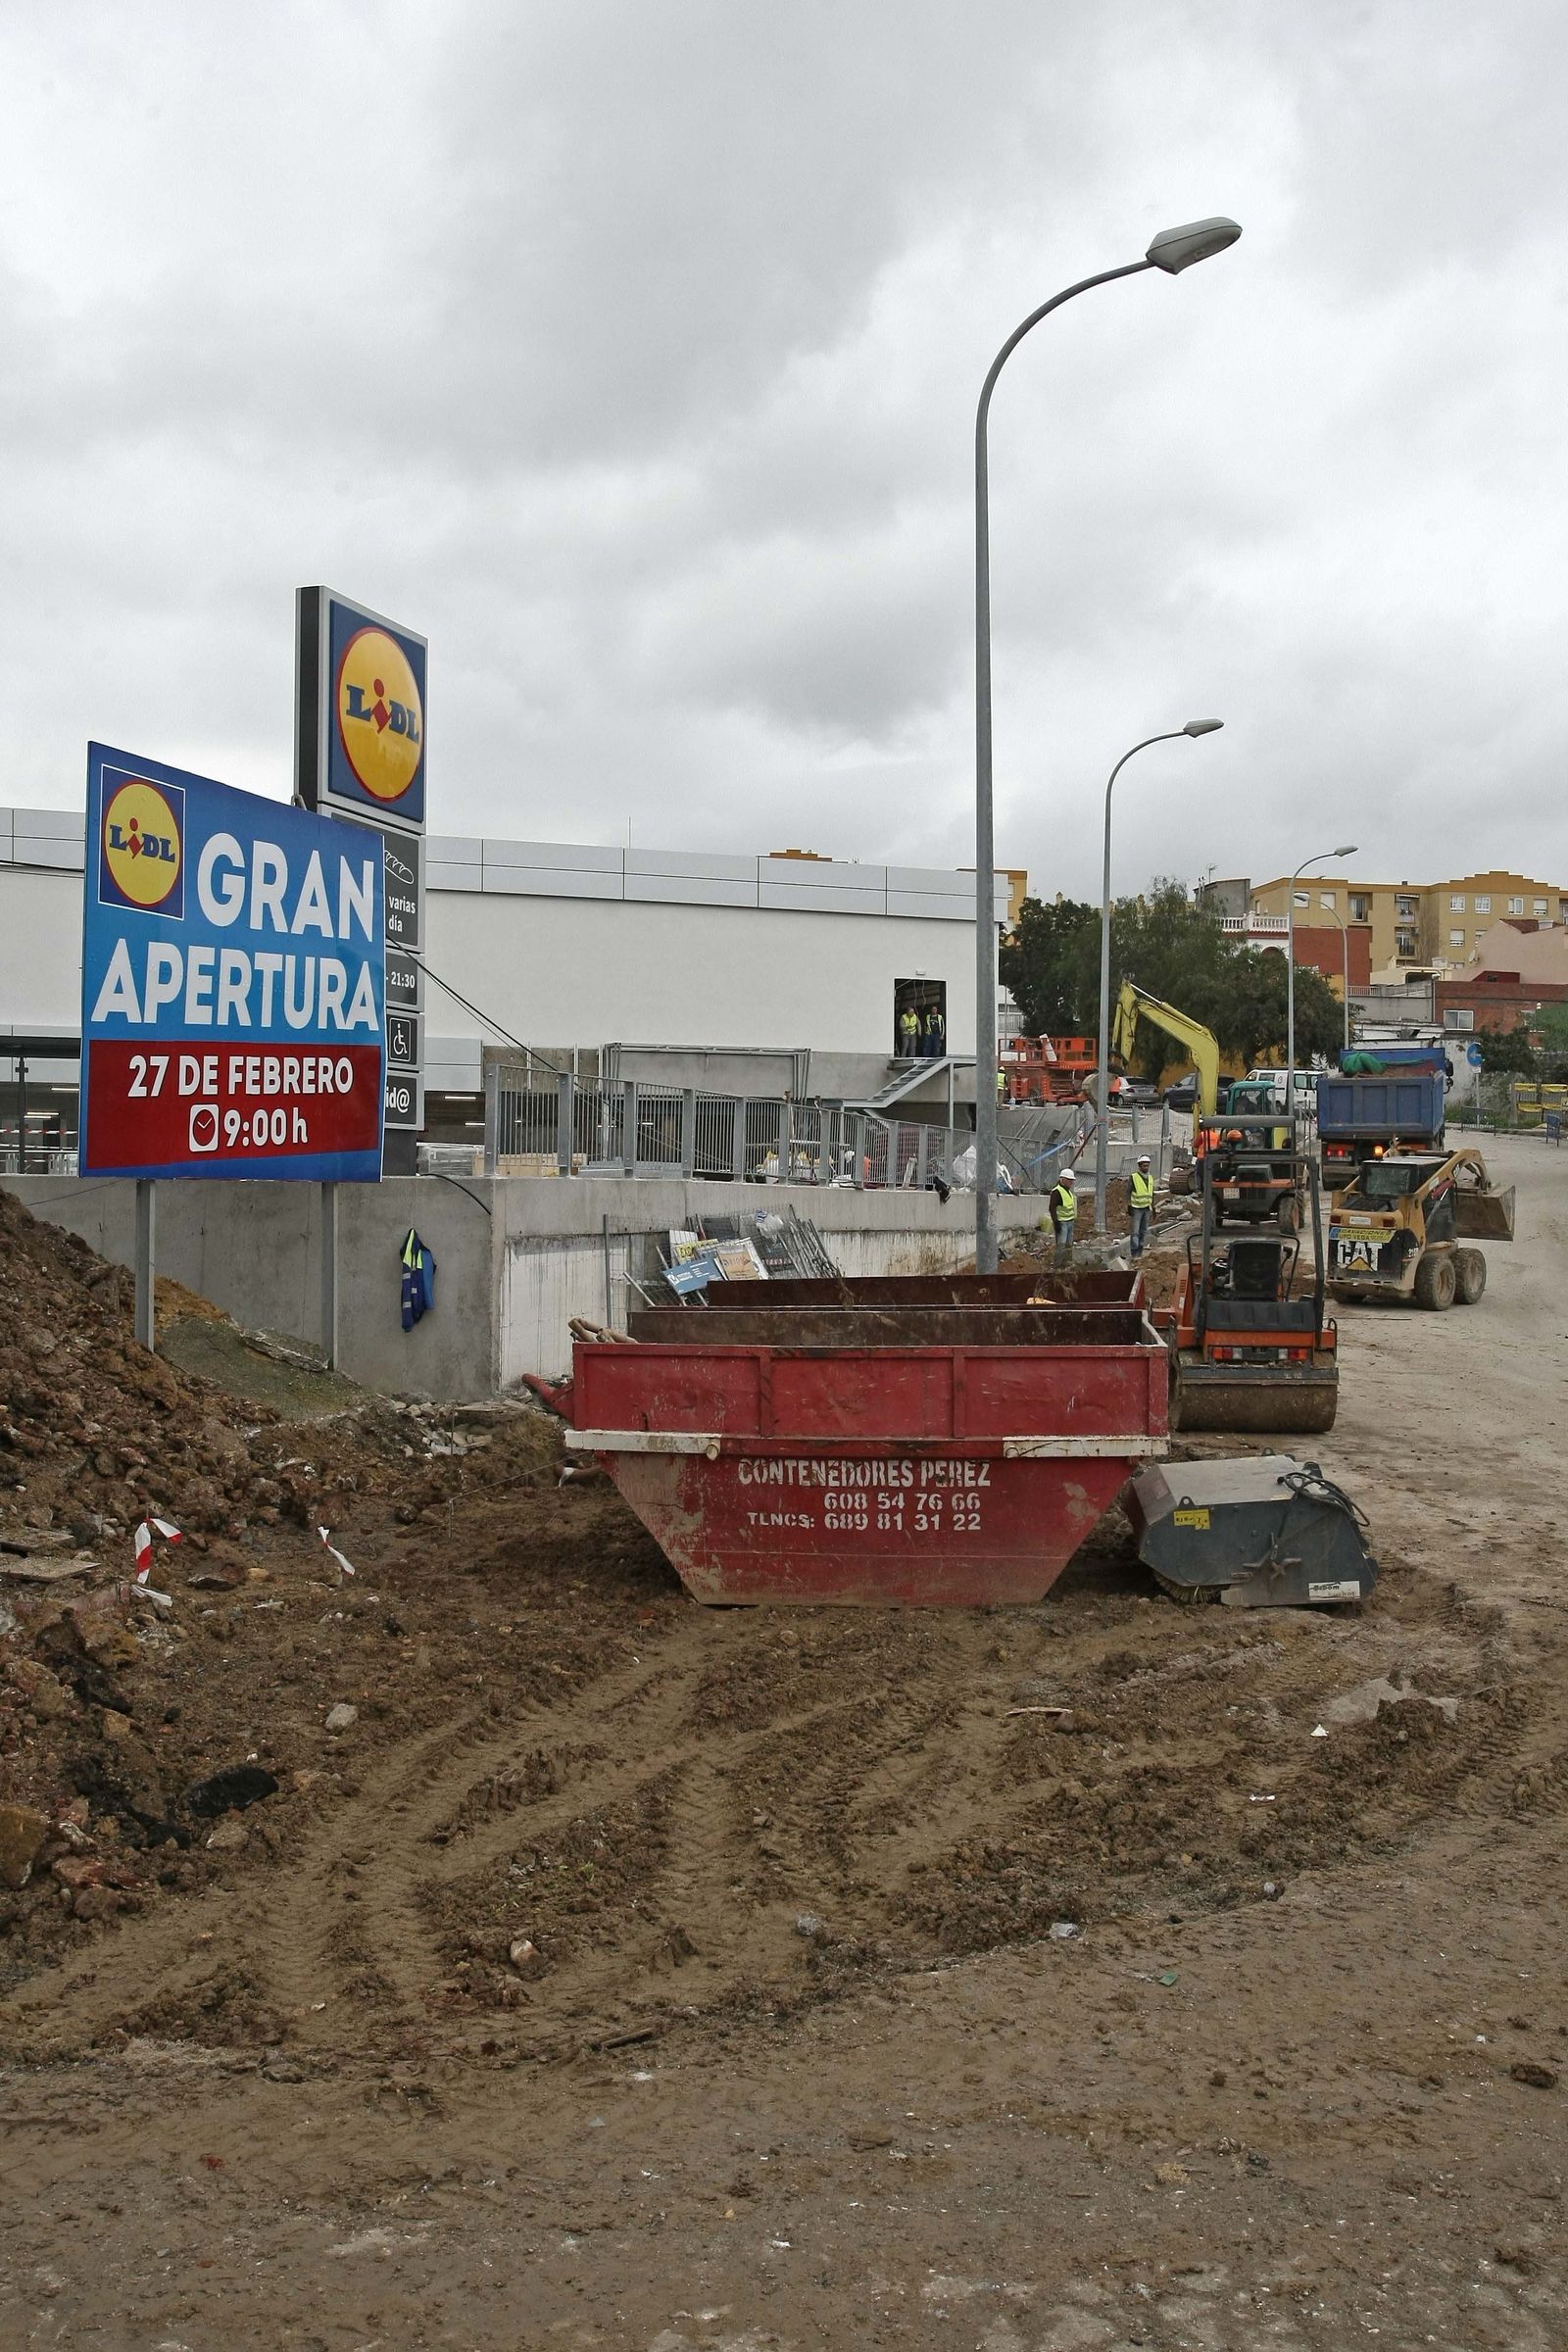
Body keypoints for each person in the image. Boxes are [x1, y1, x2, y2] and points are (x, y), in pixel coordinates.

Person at [1048, 1165, 1078, 1261]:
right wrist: (1056, 1222)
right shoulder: (1057, 1192)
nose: (1071, 1182)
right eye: (1069, 1180)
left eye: (1072, 1180)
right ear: (1063, 1179)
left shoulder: (1067, 1191)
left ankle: (1067, 1263)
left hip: (1069, 1222)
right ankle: (1058, 1265)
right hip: (1062, 1223)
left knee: (1069, 1245)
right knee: (1061, 1245)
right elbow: (1052, 1208)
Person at [1129, 1153, 1154, 1258]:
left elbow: (1152, 1193)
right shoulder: (1134, 1177)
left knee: (1143, 1231)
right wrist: (1129, 1206)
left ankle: (1140, 1251)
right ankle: (1134, 1252)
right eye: (1144, 1166)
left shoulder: (1150, 1178)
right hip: (1136, 1208)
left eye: (1147, 1165)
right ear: (1139, 1166)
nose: (1146, 1167)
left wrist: (1154, 1208)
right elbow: (1127, 1192)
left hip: (1146, 1208)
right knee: (1135, 1231)